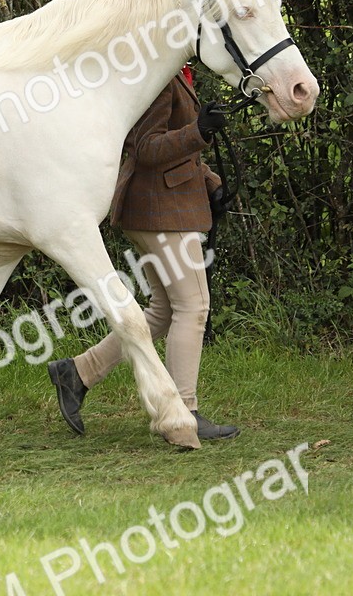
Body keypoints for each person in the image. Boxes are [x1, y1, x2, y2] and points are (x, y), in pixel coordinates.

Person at [48, 64, 240, 441]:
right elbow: (146, 148)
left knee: (164, 311)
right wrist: (198, 131)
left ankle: (78, 373)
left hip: (165, 204)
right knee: (194, 307)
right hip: (159, 209)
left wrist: (211, 183)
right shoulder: (156, 76)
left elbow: (180, 155)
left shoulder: (173, 73)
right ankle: (183, 411)